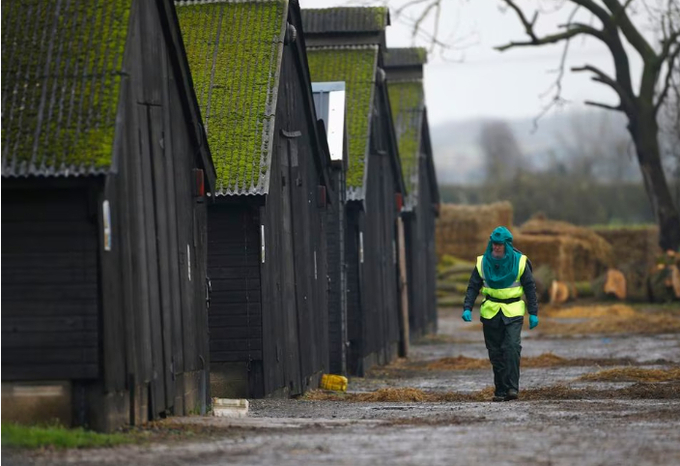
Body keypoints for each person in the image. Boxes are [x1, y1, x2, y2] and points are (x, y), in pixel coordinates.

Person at [461, 226, 539, 402]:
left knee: (511, 347)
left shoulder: (520, 262)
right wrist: (467, 307)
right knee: (495, 353)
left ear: (507, 245)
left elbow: (530, 288)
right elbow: (473, 286)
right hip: (490, 312)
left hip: (513, 312)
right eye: (494, 244)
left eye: (500, 245)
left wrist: (533, 312)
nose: (496, 247)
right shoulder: (482, 263)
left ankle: (512, 388)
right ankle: (501, 390)